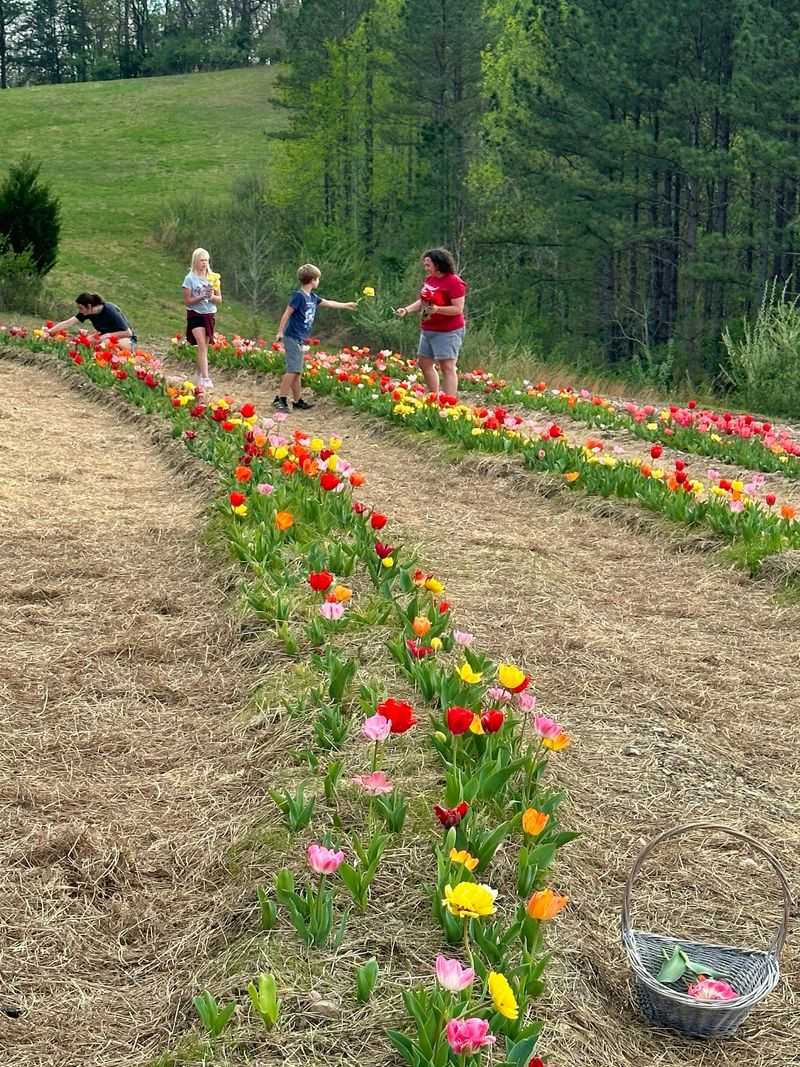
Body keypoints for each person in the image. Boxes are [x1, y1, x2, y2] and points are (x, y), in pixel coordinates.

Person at [273, 263, 357, 412]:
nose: (318, 281)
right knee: (293, 370)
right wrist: (280, 332)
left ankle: (297, 400)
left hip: (299, 337)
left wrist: (346, 305)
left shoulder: (312, 297)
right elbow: (287, 314)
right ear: (312, 280)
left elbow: (329, 303)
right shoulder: (298, 296)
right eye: (317, 279)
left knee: (297, 371)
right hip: (291, 336)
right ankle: (281, 398)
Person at [394, 247, 467, 397]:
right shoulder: (430, 280)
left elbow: (458, 309)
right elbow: (423, 302)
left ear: (438, 265)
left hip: (448, 331)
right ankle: (434, 396)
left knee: (447, 367)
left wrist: (437, 309)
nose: (425, 268)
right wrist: (406, 310)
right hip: (428, 329)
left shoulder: (454, 282)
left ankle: (449, 402)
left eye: (428, 265)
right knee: (424, 363)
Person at [182, 247, 221, 391]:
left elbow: (219, 299)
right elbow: (187, 301)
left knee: (203, 347)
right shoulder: (189, 279)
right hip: (195, 314)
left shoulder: (213, 278)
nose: (204, 263)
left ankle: (198, 374)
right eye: (201, 260)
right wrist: (200, 297)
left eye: (206, 260)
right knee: (202, 345)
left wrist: (211, 296)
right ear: (195, 261)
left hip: (209, 314)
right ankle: (206, 377)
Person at [43, 293, 137, 349]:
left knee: (106, 343)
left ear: (89, 306)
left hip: (126, 340)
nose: (80, 311)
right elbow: (68, 322)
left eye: (80, 308)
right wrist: (50, 331)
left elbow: (128, 332)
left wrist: (107, 335)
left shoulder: (110, 310)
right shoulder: (87, 312)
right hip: (103, 337)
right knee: (84, 343)